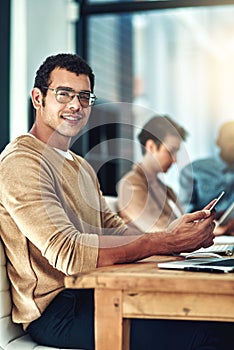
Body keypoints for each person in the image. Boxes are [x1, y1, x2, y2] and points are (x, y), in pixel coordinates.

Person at [0, 53, 224, 350]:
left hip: (100, 290)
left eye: (84, 96)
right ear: (38, 98)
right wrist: (166, 242)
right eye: (63, 94)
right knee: (210, 336)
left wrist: (177, 240)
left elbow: (116, 231)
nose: (75, 105)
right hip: (58, 311)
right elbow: (68, 254)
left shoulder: (80, 167)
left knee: (215, 319)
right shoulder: (21, 162)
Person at [117, 115, 187, 232]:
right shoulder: (130, 184)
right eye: (171, 151)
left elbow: (179, 224)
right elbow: (159, 230)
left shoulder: (166, 189)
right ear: (151, 146)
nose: (175, 160)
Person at [179, 121, 234, 236]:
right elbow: (183, 214)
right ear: (218, 142)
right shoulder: (193, 170)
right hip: (202, 236)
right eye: (230, 139)